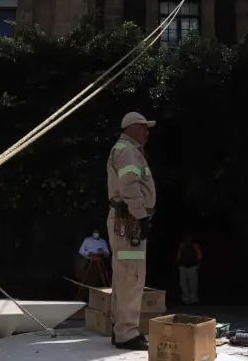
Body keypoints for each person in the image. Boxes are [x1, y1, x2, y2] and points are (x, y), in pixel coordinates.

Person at [105, 111, 157, 350]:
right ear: (133, 127)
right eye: (144, 127)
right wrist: (142, 216)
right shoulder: (128, 151)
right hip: (130, 221)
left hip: (125, 220)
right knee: (132, 277)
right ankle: (127, 333)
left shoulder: (125, 150)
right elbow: (129, 187)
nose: (146, 132)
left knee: (123, 277)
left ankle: (121, 330)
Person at [175, 232, 202, 305]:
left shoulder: (195, 246)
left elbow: (199, 256)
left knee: (193, 284)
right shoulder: (182, 246)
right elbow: (178, 255)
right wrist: (179, 264)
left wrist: (197, 265)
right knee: (183, 284)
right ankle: (186, 299)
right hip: (183, 267)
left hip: (192, 267)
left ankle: (193, 299)